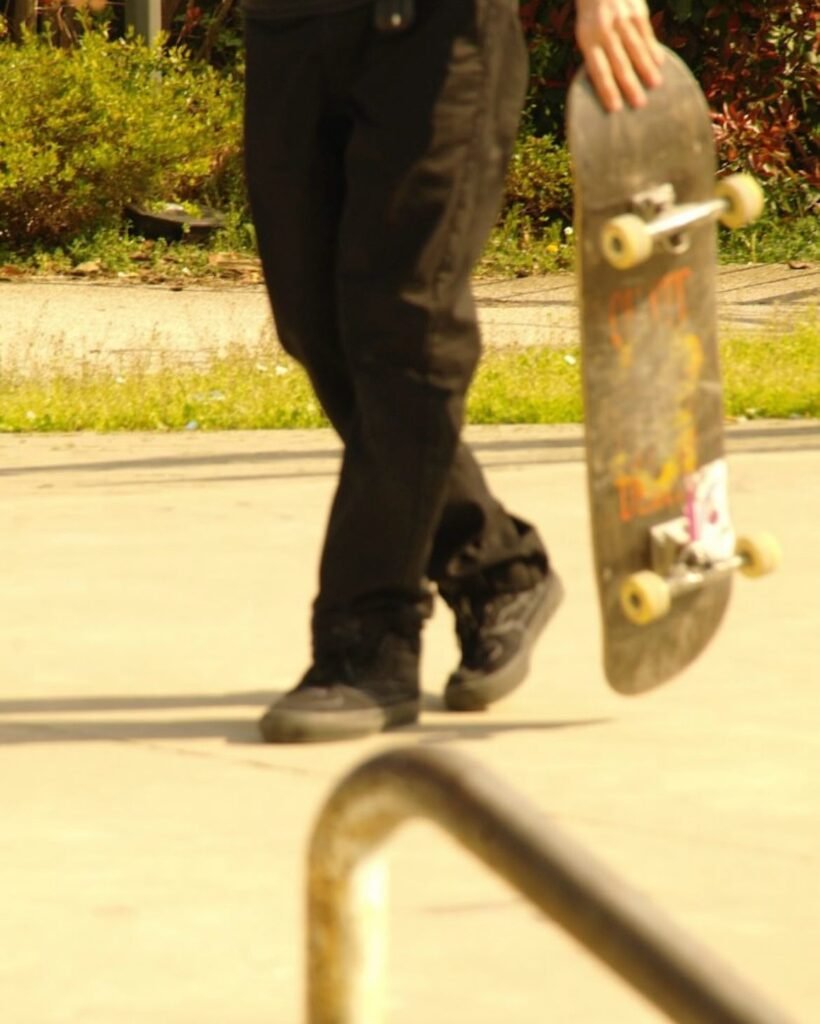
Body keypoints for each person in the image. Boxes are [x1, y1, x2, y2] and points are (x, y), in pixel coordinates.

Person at [240, 0, 663, 743]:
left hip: (434, 31)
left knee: (405, 324)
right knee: (316, 325)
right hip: (290, 22)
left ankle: (367, 643)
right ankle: (496, 569)